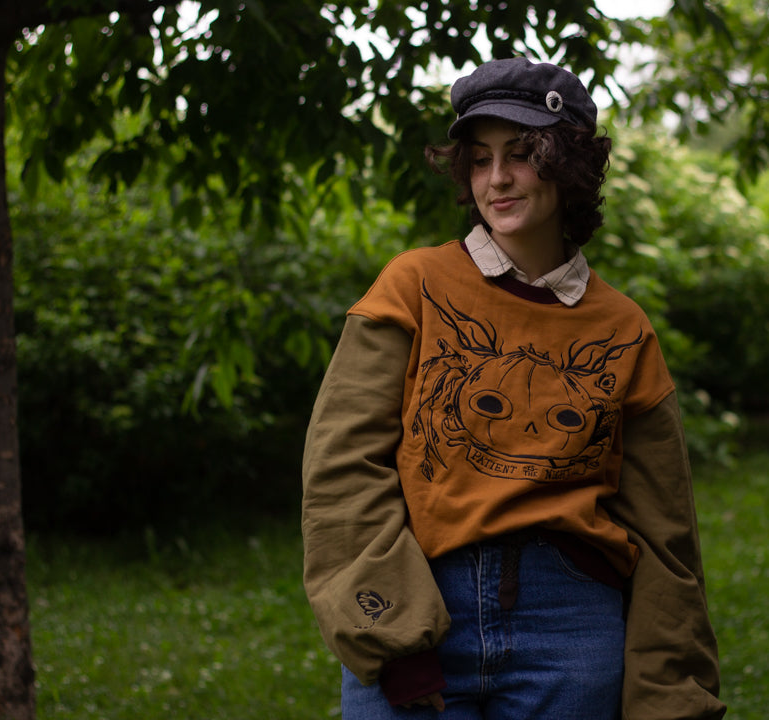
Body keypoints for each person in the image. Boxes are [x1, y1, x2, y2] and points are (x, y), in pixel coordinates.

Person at [302, 56, 725, 719]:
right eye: (479, 158)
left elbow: (665, 536)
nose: (496, 178)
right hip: (423, 609)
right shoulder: (411, 285)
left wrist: (671, 696)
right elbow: (342, 471)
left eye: (522, 154)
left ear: (572, 164)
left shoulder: (624, 329)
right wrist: (394, 635)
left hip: (573, 632)